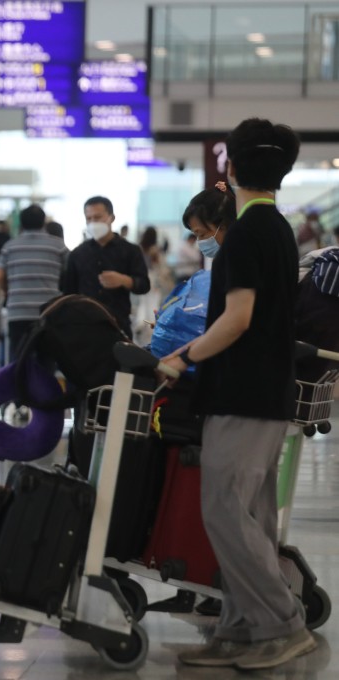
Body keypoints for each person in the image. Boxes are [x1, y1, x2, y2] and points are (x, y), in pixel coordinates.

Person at [163, 118, 314, 670]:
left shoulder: (248, 234)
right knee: (251, 515)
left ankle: (280, 622)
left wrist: (182, 357)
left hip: (243, 395)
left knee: (226, 509)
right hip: (267, 393)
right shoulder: (279, 228)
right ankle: (241, 628)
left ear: (231, 167)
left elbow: (238, 319)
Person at [60, 196, 150, 337]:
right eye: (88, 218)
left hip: (118, 326)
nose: (93, 222)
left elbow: (144, 285)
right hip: (84, 327)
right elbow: (69, 293)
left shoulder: (130, 250)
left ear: (111, 217)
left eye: (98, 217)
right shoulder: (77, 254)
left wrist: (124, 280)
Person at [0, 203, 67, 359]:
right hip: (48, 313)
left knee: (18, 362)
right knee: (46, 362)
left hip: (18, 312)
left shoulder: (10, 246)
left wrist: (8, 291)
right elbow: (69, 273)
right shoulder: (58, 246)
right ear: (43, 222)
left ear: (21, 222)